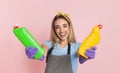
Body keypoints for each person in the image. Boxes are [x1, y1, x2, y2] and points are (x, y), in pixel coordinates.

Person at [25, 12, 97, 73]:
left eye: (64, 26)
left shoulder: (77, 47)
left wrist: (86, 56)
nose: (61, 30)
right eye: (57, 27)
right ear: (54, 30)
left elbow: (81, 56)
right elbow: (43, 51)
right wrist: (36, 53)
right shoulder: (49, 44)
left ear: (69, 27)